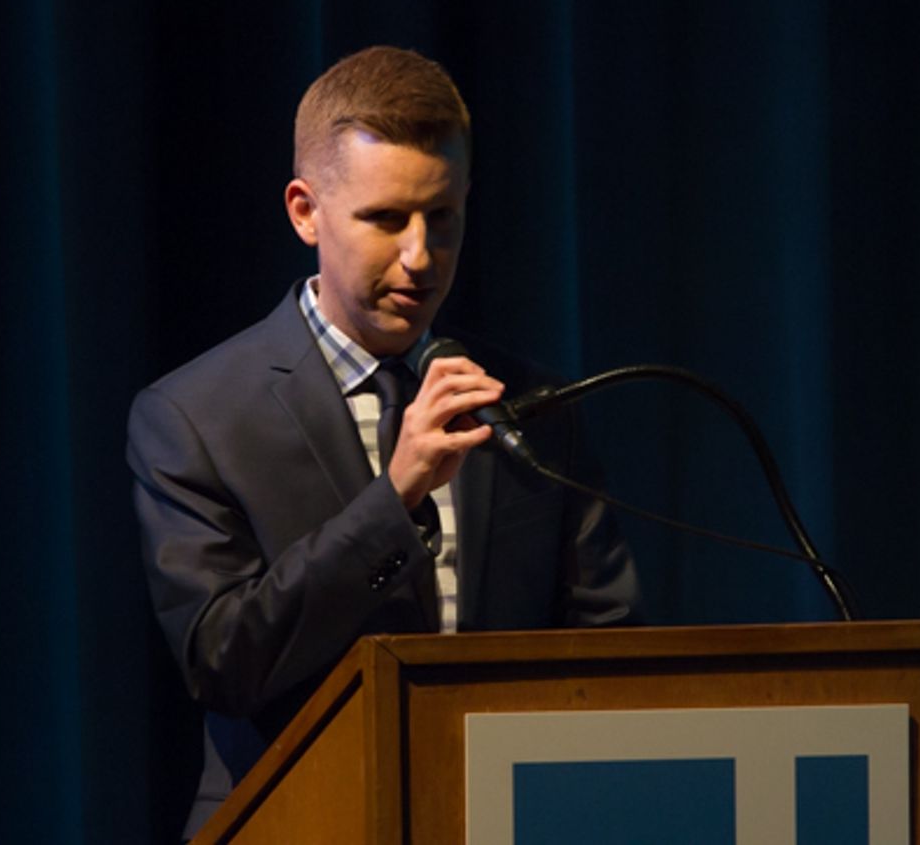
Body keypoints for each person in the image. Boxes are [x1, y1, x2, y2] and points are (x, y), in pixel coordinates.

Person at [126, 45, 639, 837]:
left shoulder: (531, 405)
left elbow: (608, 646)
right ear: (306, 211)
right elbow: (226, 661)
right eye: (386, 219)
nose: (420, 256)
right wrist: (394, 497)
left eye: (443, 216)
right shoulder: (194, 416)